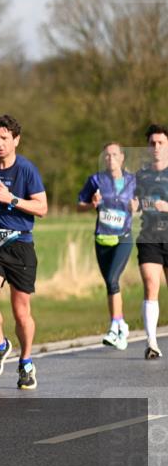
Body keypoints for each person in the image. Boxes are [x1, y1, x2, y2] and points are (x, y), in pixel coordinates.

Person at [0, 115, 48, 389]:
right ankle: (0, 343)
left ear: (16, 140)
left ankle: (26, 362)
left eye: (5, 138)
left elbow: (42, 208)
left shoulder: (27, 169)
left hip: (20, 245)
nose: (0, 143)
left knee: (21, 312)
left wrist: (12, 199)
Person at [77, 142, 137, 351]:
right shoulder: (96, 180)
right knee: (111, 285)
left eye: (114, 154)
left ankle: (113, 327)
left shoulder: (133, 181)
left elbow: (145, 203)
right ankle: (121, 325)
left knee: (112, 279)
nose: (110, 158)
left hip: (123, 237)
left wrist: (137, 207)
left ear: (122, 157)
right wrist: (91, 205)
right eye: (107, 155)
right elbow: (79, 205)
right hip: (102, 239)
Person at [134, 124, 168, 359]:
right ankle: (152, 343)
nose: (156, 147)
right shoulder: (141, 175)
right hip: (150, 237)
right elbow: (133, 201)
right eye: (152, 143)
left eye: (160, 143)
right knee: (150, 283)